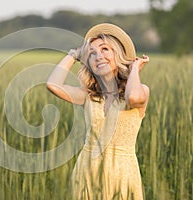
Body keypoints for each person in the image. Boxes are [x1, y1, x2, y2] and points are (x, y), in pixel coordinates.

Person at [46, 23, 149, 199]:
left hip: (123, 174)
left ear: (118, 54)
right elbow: (53, 85)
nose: (98, 56)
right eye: (92, 53)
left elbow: (133, 98)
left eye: (105, 49)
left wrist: (134, 70)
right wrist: (74, 54)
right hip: (87, 171)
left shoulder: (141, 90)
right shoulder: (88, 95)